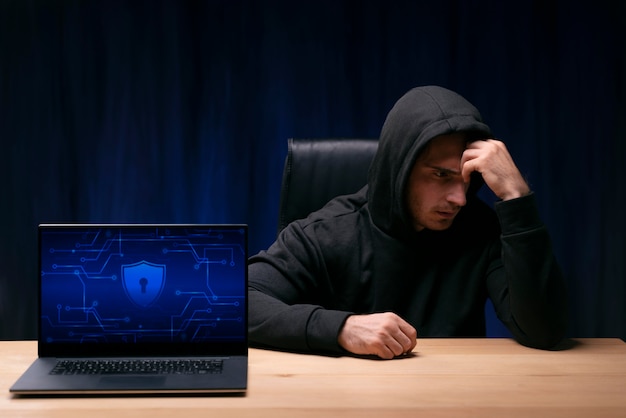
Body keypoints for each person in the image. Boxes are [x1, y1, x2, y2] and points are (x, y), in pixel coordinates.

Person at [248, 85, 568, 359]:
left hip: (454, 400)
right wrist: (341, 328)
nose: (459, 198)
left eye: (467, 178)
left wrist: (516, 197)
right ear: (399, 171)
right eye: (441, 175)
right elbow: (229, 305)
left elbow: (545, 332)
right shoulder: (326, 233)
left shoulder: (482, 229)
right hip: (345, 402)